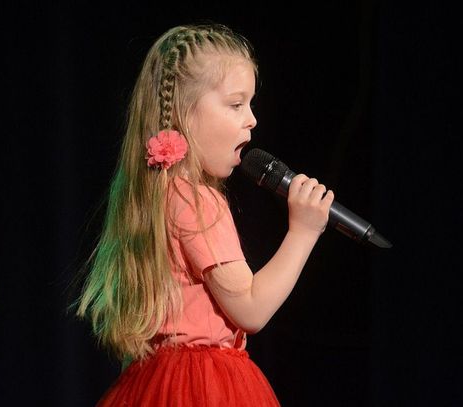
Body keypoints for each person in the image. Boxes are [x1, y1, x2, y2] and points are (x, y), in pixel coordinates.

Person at [76, 23, 334, 406]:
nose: (252, 119)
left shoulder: (152, 196)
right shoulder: (198, 200)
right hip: (206, 385)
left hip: (154, 382)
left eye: (250, 104)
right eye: (236, 104)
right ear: (184, 112)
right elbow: (251, 309)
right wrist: (304, 231)